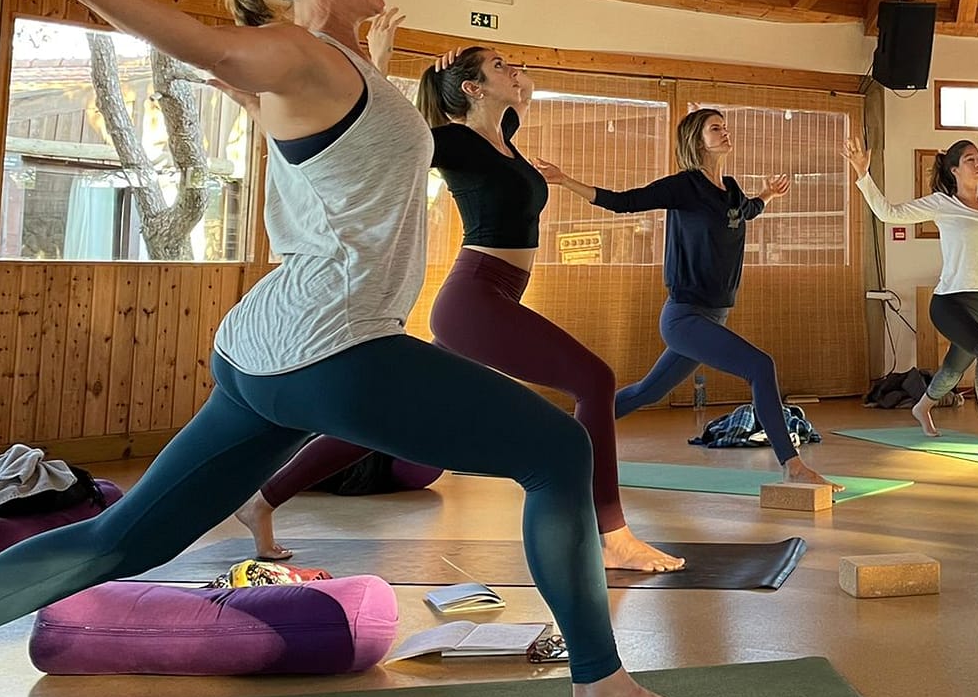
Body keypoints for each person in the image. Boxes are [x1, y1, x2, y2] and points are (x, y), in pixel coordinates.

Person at [0, 0, 715, 697]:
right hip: (333, 340)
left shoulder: (330, 65)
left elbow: (334, 146)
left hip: (265, 350)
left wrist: (357, 63)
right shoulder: (297, 53)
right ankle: (603, 692)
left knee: (126, 539)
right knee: (558, 451)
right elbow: (209, 45)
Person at [235, 44, 681, 573]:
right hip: (475, 298)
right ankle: (611, 535)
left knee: (390, 418)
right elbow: (379, 137)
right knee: (595, 379)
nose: (515, 71)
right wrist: (370, 62)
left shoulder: (504, 133)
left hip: (496, 294)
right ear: (472, 89)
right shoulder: (451, 142)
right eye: (500, 66)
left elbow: (520, 93)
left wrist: (485, 75)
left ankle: (262, 500)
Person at [535, 109, 830, 488]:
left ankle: (556, 437)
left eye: (724, 126)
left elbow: (748, 211)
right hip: (685, 317)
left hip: (713, 316)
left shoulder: (732, 190)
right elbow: (622, 201)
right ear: (697, 141)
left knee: (647, 391)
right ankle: (793, 466)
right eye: (715, 128)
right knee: (760, 366)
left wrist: (768, 195)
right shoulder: (685, 187)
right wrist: (564, 180)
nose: (725, 132)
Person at [845, 136, 978, 457]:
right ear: (954, 170)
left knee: (953, 369)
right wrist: (863, 174)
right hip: (950, 302)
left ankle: (922, 406)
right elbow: (888, 213)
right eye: (970, 159)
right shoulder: (941, 204)